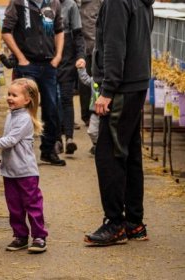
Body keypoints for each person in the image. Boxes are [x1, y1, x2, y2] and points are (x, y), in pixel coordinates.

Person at [84, 0, 154, 246]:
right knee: (130, 153)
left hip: (122, 86)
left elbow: (115, 46)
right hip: (137, 81)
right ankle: (134, 223)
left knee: (109, 154)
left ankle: (114, 224)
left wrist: (108, 90)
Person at [0, 78, 48, 253]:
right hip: (11, 171)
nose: (9, 98)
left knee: (32, 204)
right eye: (9, 94)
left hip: (25, 171)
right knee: (14, 206)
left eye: (14, 95)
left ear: (27, 100)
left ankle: (39, 236)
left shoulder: (25, 119)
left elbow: (10, 141)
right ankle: (20, 236)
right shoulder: (10, 115)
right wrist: (4, 162)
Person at [1, 0, 66, 166]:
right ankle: (19, 153)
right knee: (23, 109)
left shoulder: (53, 3)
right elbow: (6, 31)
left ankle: (48, 150)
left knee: (52, 108)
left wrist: (58, 56)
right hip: (27, 65)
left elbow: (59, 31)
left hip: (48, 64)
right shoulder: (18, 3)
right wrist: (21, 58)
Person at [56, 0, 86, 155]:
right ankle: (56, 139)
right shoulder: (44, 4)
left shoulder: (71, 6)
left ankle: (69, 138)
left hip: (68, 59)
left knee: (67, 98)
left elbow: (78, 35)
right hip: (50, 58)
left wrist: (81, 56)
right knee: (52, 100)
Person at [78, 0, 103, 127]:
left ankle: (91, 114)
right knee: (87, 83)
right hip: (84, 48)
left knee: (92, 82)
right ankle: (88, 115)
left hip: (92, 47)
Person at [76, 60, 99, 155]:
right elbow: (86, 79)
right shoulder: (94, 79)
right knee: (92, 131)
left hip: (108, 111)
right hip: (95, 111)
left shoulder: (111, 79)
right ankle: (96, 144)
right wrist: (81, 69)